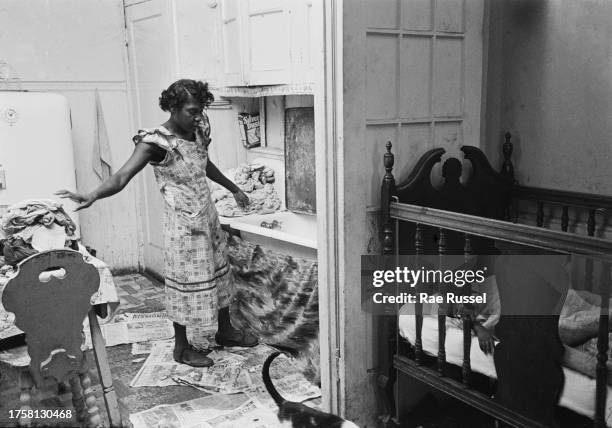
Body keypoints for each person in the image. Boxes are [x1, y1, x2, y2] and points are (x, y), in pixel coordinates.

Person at [56, 79, 258, 367]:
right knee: (184, 285)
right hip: (183, 226)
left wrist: (233, 187)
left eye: (200, 110)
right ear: (173, 108)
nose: (198, 116)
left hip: (208, 217)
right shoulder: (156, 143)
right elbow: (121, 176)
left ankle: (225, 331)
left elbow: (204, 163)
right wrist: (93, 194)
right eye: (191, 111)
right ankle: (181, 347)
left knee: (220, 274)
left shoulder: (197, 131)